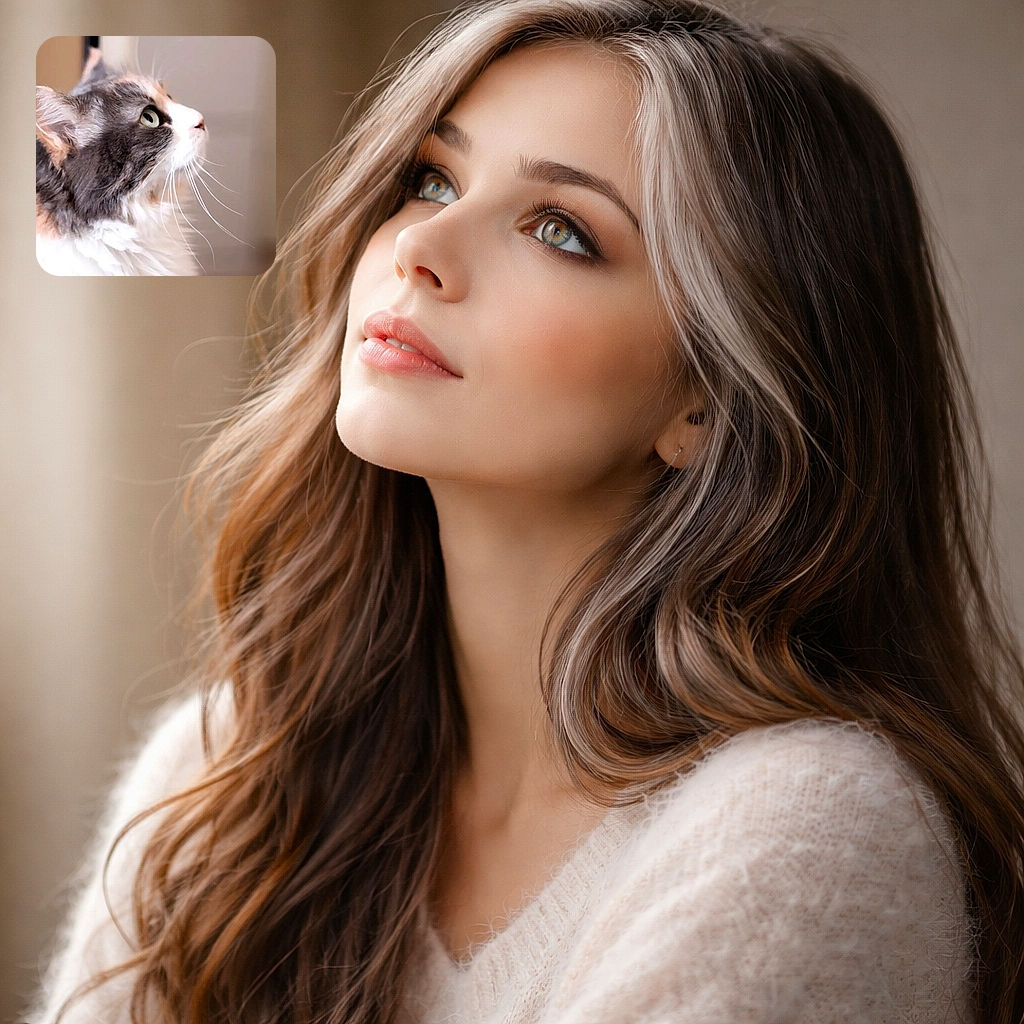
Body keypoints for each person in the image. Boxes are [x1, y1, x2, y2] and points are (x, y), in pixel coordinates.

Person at [30, 1, 1024, 1022]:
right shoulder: (226, 768)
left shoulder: (811, 831)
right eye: (431, 179)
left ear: (708, 397)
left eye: (561, 231)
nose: (421, 246)